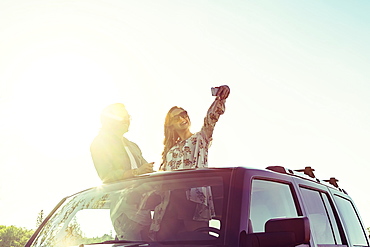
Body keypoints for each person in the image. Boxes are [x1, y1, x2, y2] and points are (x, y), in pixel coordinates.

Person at [150, 85, 230, 240]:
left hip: (193, 202)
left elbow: (211, 119)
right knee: (163, 242)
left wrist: (221, 98)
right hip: (170, 205)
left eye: (184, 114)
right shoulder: (169, 151)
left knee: (195, 242)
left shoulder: (200, 139)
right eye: (176, 117)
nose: (182, 118)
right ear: (170, 125)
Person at [90, 103, 155, 183]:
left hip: (140, 193)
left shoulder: (133, 146)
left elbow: (146, 170)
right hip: (120, 194)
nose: (127, 120)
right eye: (122, 117)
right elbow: (107, 176)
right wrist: (136, 172)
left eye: (128, 117)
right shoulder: (100, 143)